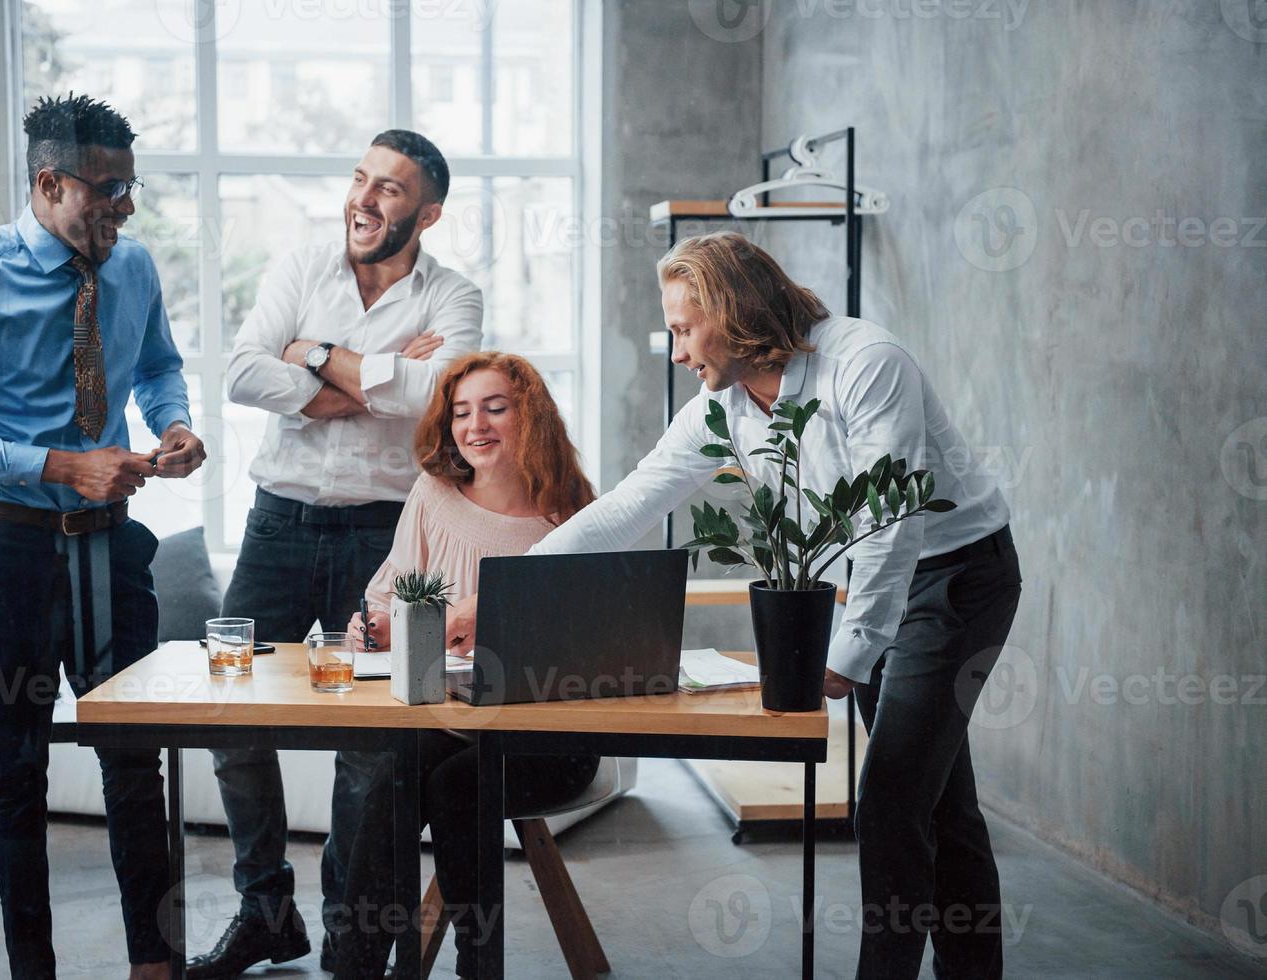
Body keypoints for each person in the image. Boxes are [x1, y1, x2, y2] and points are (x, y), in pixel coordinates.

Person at [446, 232, 1021, 980]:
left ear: (732, 310)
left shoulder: (865, 364)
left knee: (889, 800)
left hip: (956, 579)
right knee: (934, 798)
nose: (677, 351)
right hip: (885, 583)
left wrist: (846, 657)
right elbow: (628, 506)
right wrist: (502, 590)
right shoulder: (721, 404)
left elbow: (893, 523)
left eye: (683, 329)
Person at [0, 94, 207, 980]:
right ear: (48, 181)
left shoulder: (134, 267)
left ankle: (155, 965)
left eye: (131, 188)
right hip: (9, 553)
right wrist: (61, 466)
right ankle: (35, 970)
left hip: (115, 550)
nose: (124, 209)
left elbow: (158, 366)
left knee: (135, 763)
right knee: (17, 772)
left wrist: (174, 425)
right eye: (107, 190)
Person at [187, 130, 483, 979]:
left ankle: (355, 944)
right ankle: (265, 913)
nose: (364, 198)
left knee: (378, 744)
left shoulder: (453, 294)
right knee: (228, 711)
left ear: (426, 213)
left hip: (383, 536)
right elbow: (242, 372)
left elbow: (436, 398)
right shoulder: (299, 266)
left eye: (389, 190)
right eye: (360, 179)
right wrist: (371, 382)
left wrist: (314, 357)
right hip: (276, 526)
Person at [332, 352, 600, 980]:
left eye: (495, 408)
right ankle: (358, 966)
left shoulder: (575, 515)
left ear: (528, 415)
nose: (474, 425)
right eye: (461, 412)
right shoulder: (434, 495)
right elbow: (384, 598)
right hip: (448, 720)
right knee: (395, 779)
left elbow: (591, 646)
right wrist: (370, 630)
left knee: (458, 784)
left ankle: (478, 967)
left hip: (549, 740)